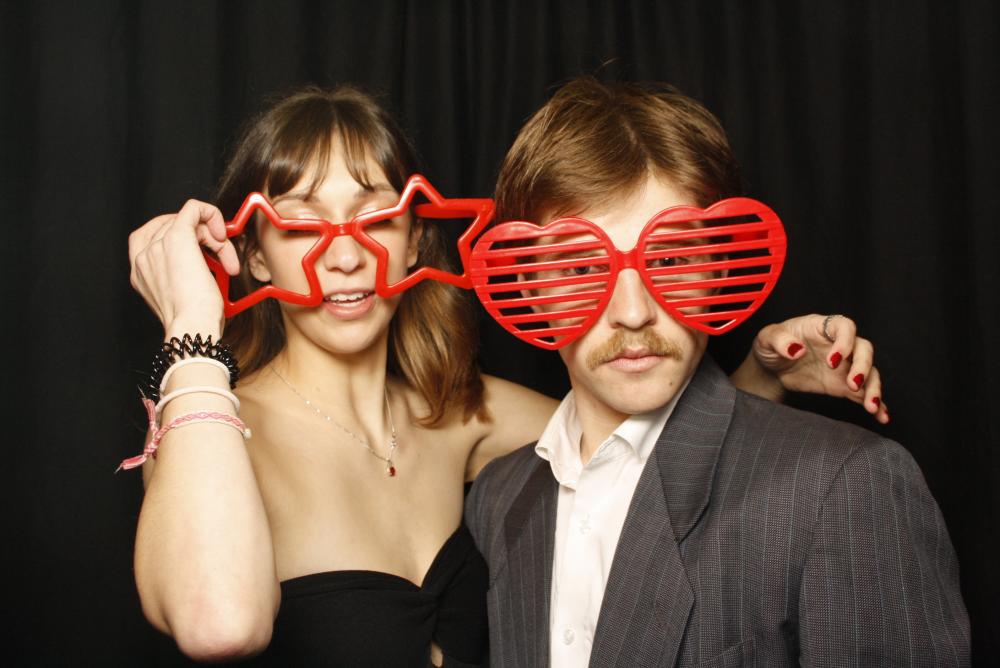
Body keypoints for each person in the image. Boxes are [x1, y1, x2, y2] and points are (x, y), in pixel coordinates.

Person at [127, 85, 888, 666]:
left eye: (376, 216)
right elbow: (218, 624)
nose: (346, 254)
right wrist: (192, 326)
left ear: (416, 239)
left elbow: (644, 452)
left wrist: (760, 378)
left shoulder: (464, 417)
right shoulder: (210, 435)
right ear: (254, 256)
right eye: (300, 223)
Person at [465, 77, 969, 667]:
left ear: (720, 266)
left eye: (672, 258)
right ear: (528, 286)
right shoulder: (498, 498)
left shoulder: (848, 489)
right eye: (580, 267)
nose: (633, 312)